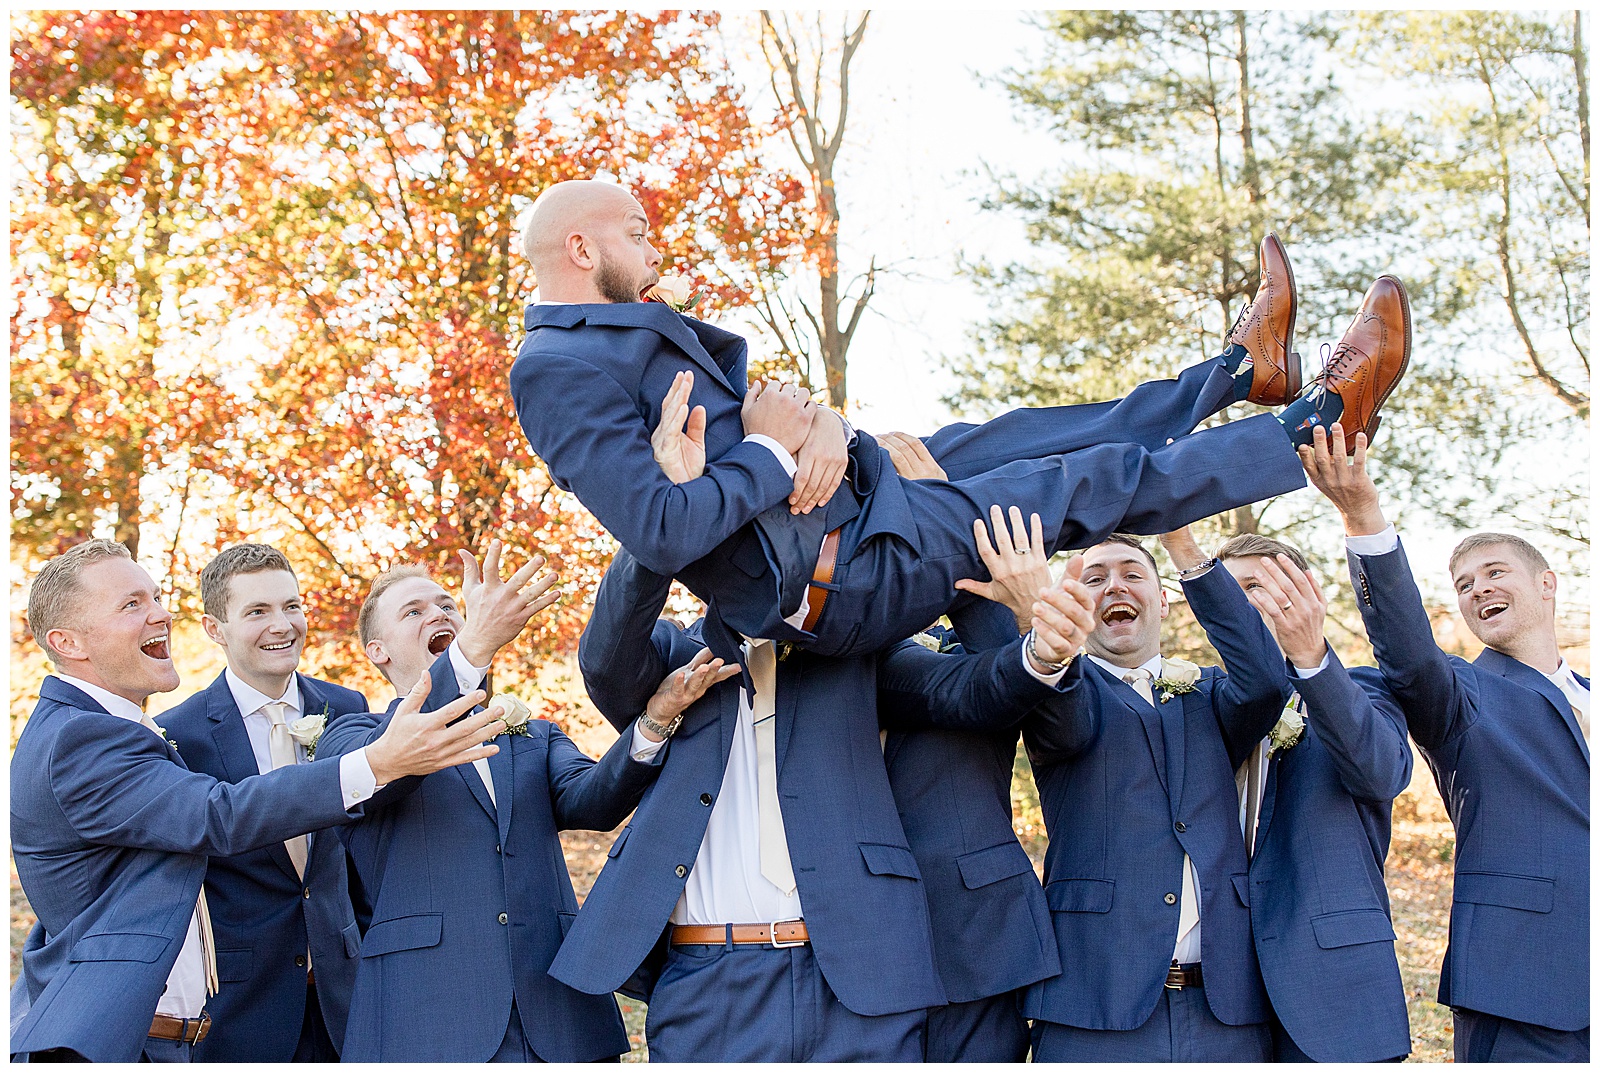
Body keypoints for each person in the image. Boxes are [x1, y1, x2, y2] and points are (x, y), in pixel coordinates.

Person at [510, 179, 1411, 666]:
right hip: (846, 573)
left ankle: (1236, 372)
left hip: (867, 488)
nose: (655, 246)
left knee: (1044, 431)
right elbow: (660, 530)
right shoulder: (553, 371)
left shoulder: (618, 333)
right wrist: (771, 447)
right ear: (582, 249)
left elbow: (757, 434)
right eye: (635, 231)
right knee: (1082, 483)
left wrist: (820, 427)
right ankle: (1320, 420)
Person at [546, 540, 1095, 1062]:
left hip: (852, 975)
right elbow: (606, 656)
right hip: (707, 979)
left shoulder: (858, 656)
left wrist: (1041, 656)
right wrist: (658, 521)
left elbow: (958, 690)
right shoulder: (670, 654)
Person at [10, 540, 504, 1063]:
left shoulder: (108, 729)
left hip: (289, 1002)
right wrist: (377, 763)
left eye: (155, 596)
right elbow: (219, 815)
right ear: (68, 642)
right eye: (132, 604)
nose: (161, 612)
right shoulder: (80, 739)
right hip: (126, 1038)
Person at [318, 542, 703, 1062]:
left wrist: (654, 720)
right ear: (377, 651)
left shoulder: (532, 735)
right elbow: (391, 766)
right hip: (425, 1021)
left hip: (556, 1014)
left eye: (446, 605)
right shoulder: (352, 740)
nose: (438, 612)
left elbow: (594, 803)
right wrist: (471, 650)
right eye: (413, 611)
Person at [1302, 423, 1589, 1063]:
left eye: (1494, 572)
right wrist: (1362, 517)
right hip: (1526, 983)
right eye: (1463, 584)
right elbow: (1405, 649)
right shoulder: (1457, 695)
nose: (1478, 587)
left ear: (1546, 584)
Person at [972, 530, 1293, 1061]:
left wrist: (1186, 551)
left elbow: (1265, 681)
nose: (1113, 587)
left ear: (1164, 600)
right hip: (1094, 1000)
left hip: (1227, 1006)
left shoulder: (1214, 694)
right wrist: (1045, 625)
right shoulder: (1054, 687)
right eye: (1094, 580)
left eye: (1132, 574)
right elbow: (1066, 721)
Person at [158, 545, 369, 1061]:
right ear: (214, 628)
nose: (283, 624)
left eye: (291, 606)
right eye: (257, 612)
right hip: (243, 1002)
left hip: (346, 990)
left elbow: (360, 851)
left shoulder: (346, 707)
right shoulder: (178, 734)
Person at [1214, 532, 1412, 1062]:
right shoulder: (1194, 699)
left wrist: (1309, 658)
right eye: (1230, 593)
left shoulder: (1362, 690)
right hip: (1217, 998)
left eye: (1258, 585)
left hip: (1334, 987)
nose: (1246, 603)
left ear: (1305, 591)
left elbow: (1380, 774)